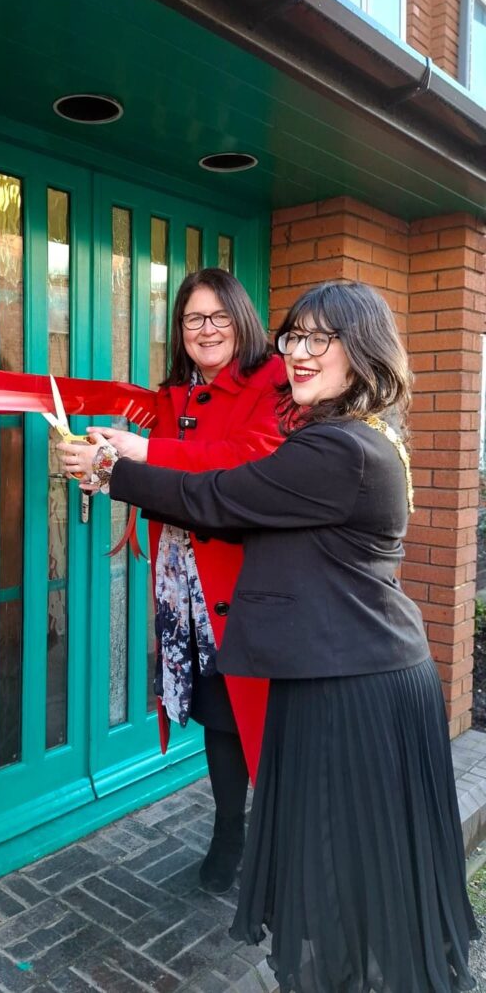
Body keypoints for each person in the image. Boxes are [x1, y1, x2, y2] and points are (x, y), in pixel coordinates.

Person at [63, 281, 479, 992]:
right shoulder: (356, 435)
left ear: (364, 348)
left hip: (353, 687)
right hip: (359, 668)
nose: (301, 353)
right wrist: (132, 467)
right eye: (295, 338)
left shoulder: (337, 449)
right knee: (355, 874)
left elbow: (218, 497)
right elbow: (241, 514)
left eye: (323, 338)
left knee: (342, 875)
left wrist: (113, 471)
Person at [65, 267, 285, 893]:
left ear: (242, 320)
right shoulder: (176, 395)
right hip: (187, 584)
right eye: (193, 319)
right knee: (219, 715)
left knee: (267, 715)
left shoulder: (275, 381)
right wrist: (101, 461)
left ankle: (277, 836)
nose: (206, 330)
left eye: (218, 317)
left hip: (252, 585)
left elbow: (248, 463)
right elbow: (162, 483)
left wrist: (140, 453)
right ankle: (229, 833)